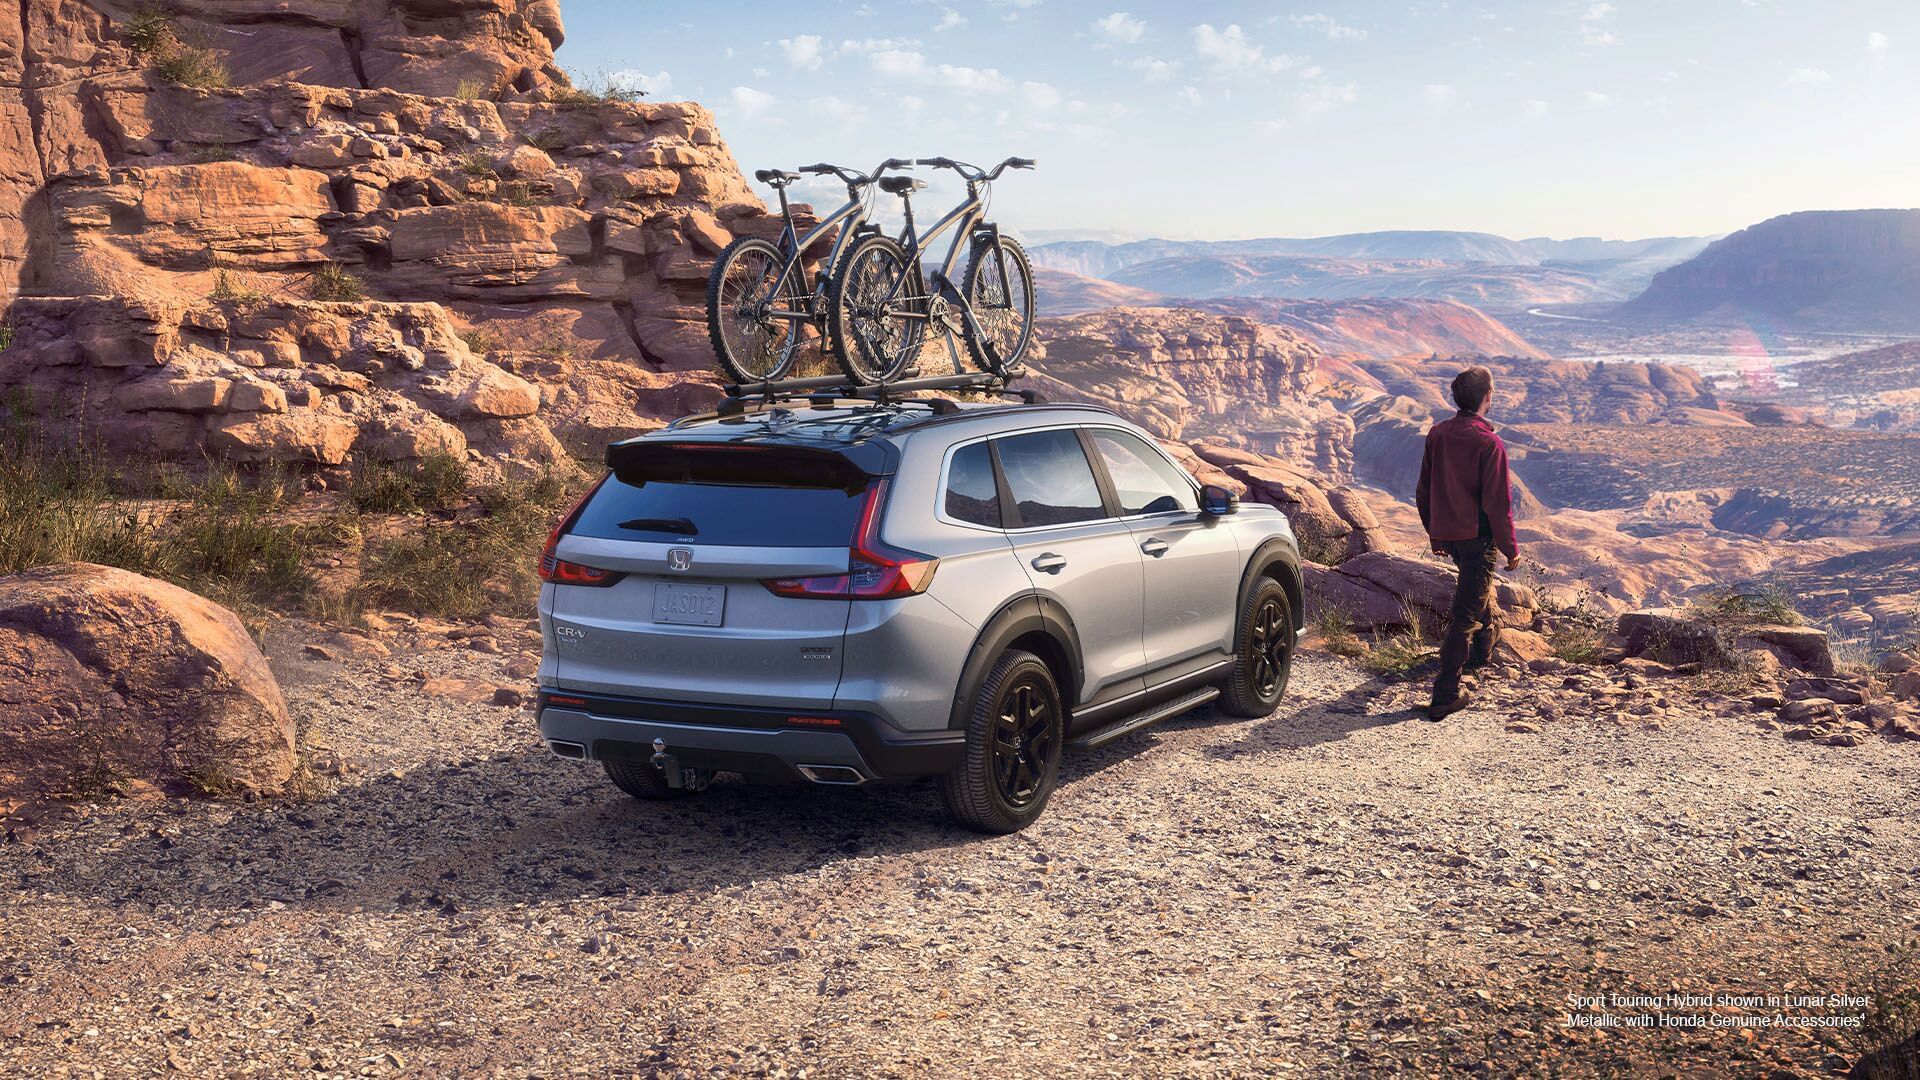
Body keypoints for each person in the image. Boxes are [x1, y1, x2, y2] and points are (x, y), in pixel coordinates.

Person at [1414, 365, 1519, 721]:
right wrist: (1511, 548)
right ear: (1488, 397)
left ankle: (1480, 654)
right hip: (1478, 538)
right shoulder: (1489, 443)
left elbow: (1424, 490)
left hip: (1451, 536)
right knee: (1463, 615)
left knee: (1476, 589)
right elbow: (1497, 504)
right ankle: (1445, 694)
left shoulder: (1438, 433)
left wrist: (1435, 533)